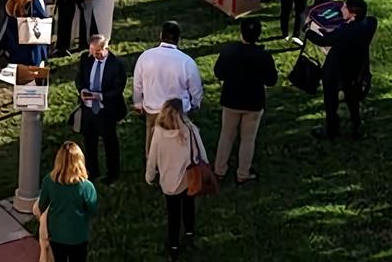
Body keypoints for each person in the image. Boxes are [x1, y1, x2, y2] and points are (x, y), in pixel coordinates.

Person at [213, 18, 278, 184]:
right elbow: (271, 80)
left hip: (231, 99)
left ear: (241, 32)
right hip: (253, 102)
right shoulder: (263, 56)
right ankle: (243, 173)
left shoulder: (229, 51)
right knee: (248, 139)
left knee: (226, 135)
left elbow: (219, 72)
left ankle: (219, 170)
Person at [145, 99, 208, 261]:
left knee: (173, 215)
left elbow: (152, 159)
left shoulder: (158, 133)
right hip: (189, 179)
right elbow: (202, 154)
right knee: (189, 207)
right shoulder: (191, 130)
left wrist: (150, 176)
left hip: (168, 183)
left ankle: (173, 246)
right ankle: (189, 233)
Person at [306, 0, 377, 140]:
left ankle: (332, 130)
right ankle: (357, 126)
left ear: (353, 14)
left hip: (335, 69)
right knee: (352, 99)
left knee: (331, 101)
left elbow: (323, 40)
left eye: (344, 8)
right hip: (355, 69)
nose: (341, 9)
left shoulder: (344, 32)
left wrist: (308, 31)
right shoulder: (370, 23)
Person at [133, 21, 203, 156]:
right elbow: (196, 89)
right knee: (177, 145)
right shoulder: (186, 62)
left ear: (160, 36)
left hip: (152, 108)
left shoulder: (145, 57)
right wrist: (195, 104)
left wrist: (137, 102)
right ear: (179, 39)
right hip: (178, 111)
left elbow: (137, 83)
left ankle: (152, 168)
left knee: (152, 142)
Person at [74, 35, 127, 183]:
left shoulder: (116, 64)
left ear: (105, 48)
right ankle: (91, 171)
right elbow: (80, 78)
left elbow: (118, 88)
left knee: (110, 142)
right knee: (89, 142)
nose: (94, 55)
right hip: (88, 109)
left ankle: (112, 174)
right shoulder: (86, 59)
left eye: (97, 52)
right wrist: (82, 90)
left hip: (106, 110)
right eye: (92, 51)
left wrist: (101, 96)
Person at [38, 141, 98, 262]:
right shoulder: (87, 186)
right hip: (79, 235)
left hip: (56, 234)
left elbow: (42, 205)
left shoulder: (49, 181)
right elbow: (92, 209)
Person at [4, 0, 49, 66]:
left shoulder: (8, 3)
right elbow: (42, 23)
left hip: (15, 52)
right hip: (33, 52)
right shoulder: (34, 2)